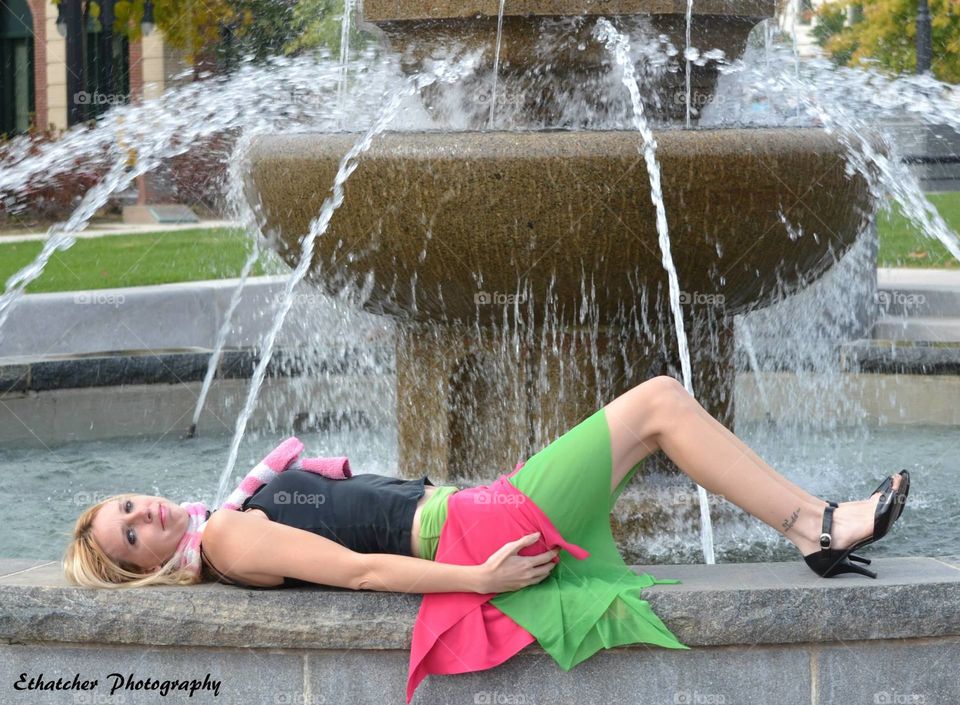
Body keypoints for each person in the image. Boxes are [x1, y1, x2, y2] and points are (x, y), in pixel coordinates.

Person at [63, 375, 910, 659]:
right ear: (146, 568)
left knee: (658, 411)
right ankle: (816, 526)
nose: (145, 514)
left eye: (128, 505)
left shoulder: (226, 516)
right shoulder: (230, 535)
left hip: (475, 509)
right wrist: (476, 579)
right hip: (477, 531)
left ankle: (814, 522)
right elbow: (361, 570)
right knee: (657, 402)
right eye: (131, 535)